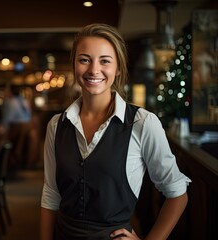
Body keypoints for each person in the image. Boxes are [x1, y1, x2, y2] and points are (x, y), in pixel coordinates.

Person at [40, 23, 191, 240]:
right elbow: (51, 194)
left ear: (118, 68)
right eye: (84, 59)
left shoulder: (143, 123)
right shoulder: (56, 125)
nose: (93, 69)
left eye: (105, 61)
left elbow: (177, 193)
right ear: (74, 65)